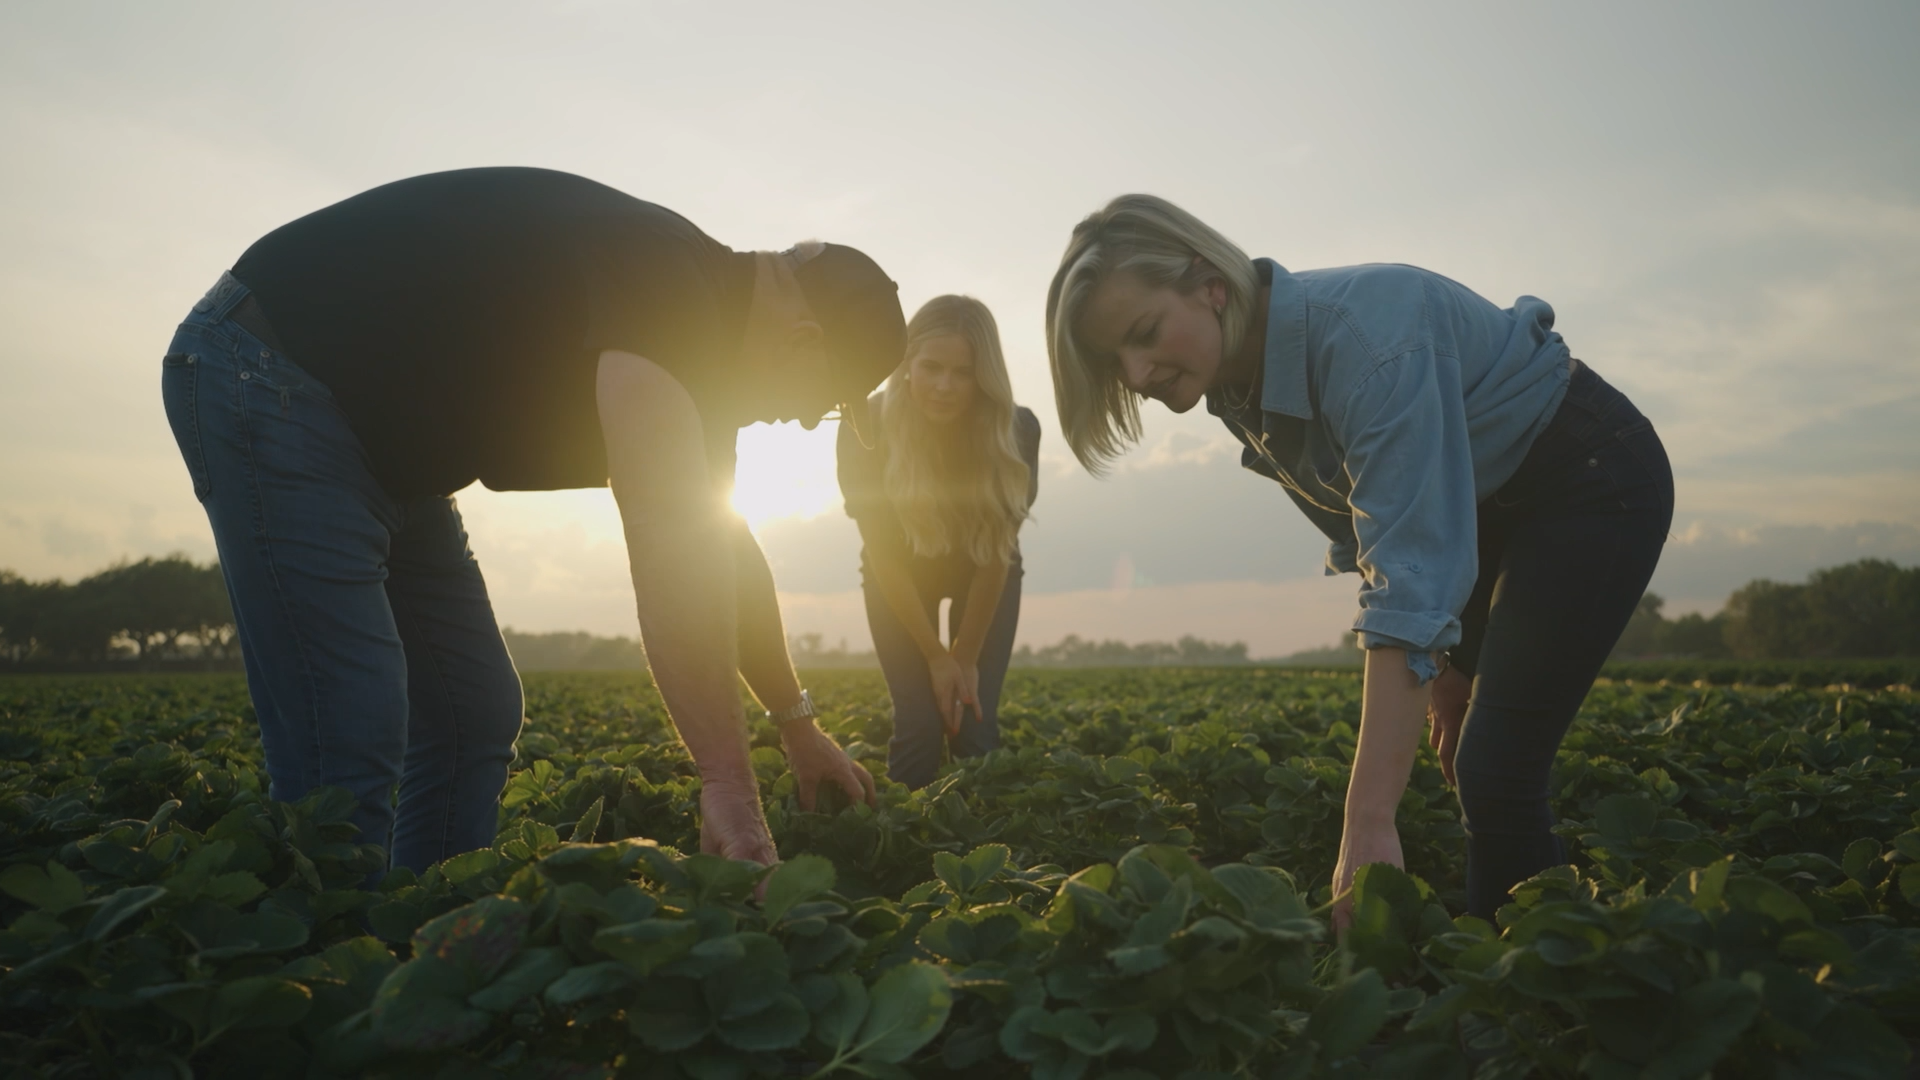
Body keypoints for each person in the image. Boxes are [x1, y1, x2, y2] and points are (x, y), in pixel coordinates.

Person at [160, 167, 892, 875]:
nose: (800, 422)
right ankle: (330, 973)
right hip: (269, 369)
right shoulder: (670, 282)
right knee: (351, 724)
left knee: (471, 708)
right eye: (824, 400)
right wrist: (728, 783)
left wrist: (796, 724)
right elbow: (670, 534)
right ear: (805, 339)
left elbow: (719, 547)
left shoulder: (700, 340)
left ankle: (420, 942)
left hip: (391, 448)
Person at [1044, 195, 1673, 926]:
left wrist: (1368, 821)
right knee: (1473, 749)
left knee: (1496, 771)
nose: (1135, 372)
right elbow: (1374, 535)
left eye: (1144, 334)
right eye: (1113, 360)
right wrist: (1449, 667)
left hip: (1586, 477)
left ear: (1210, 283)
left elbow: (1410, 567)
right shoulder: (1236, 386)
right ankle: (1510, 962)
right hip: (1480, 508)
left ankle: (1533, 1003)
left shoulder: (1365, 340)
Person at [836, 296, 1040, 789]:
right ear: (906, 365)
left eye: (963, 372)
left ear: (984, 376)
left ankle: (987, 851)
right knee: (920, 724)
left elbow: (996, 556)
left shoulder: (1017, 428)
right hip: (899, 577)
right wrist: (935, 656)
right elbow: (883, 555)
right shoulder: (864, 425)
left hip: (983, 571)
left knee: (972, 721)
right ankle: (906, 851)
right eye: (931, 367)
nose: (945, 386)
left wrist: (964, 658)